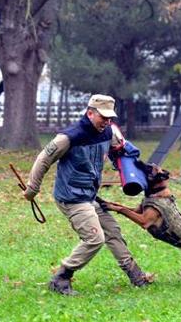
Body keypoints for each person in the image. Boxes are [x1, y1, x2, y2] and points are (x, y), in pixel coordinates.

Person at [24, 94, 152, 295]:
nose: (107, 122)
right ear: (90, 113)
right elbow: (43, 159)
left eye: (110, 118)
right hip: (71, 197)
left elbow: (120, 150)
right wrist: (32, 188)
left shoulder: (108, 131)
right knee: (94, 239)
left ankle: (136, 275)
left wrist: (131, 166)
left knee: (112, 230)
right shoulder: (69, 137)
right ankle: (61, 278)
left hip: (90, 196)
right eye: (103, 117)